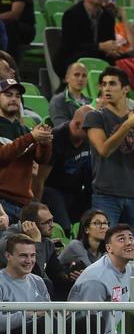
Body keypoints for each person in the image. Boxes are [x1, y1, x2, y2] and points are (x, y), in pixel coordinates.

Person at [83, 66, 134, 236]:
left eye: (112, 84)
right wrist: (127, 125)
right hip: (106, 194)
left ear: (125, 89)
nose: (106, 88)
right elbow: (104, 150)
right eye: (103, 84)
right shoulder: (95, 117)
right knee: (105, 244)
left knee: (128, 247)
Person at [68, 223, 134, 334]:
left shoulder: (127, 268)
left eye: (131, 238)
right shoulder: (96, 280)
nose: (129, 242)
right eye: (121, 239)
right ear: (109, 248)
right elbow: (89, 325)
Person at [0, 79, 53, 222]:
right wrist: (31, 137)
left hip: (23, 203)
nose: (13, 99)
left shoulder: (24, 130)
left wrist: (45, 143)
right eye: (8, 95)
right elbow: (3, 156)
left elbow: (42, 159)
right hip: (2, 201)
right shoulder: (28, 135)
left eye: (17, 96)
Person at [35, 105, 94, 229]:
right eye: (90, 130)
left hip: (74, 191)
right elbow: (40, 179)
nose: (94, 134)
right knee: (65, 226)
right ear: (77, 125)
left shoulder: (88, 139)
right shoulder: (56, 138)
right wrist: (37, 209)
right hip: (52, 190)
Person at [54, 0, 117, 79]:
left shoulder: (108, 16)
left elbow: (110, 40)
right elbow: (70, 45)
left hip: (99, 56)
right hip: (73, 56)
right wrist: (99, 46)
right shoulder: (72, 14)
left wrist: (112, 49)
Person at [0, 234, 51, 334]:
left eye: (32, 255)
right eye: (23, 256)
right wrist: (30, 313)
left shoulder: (38, 281)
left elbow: (49, 313)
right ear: (8, 256)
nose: (29, 261)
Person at [49, 63, 92, 127]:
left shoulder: (91, 101)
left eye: (84, 76)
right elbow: (62, 128)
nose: (80, 79)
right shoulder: (58, 101)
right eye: (76, 75)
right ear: (67, 78)